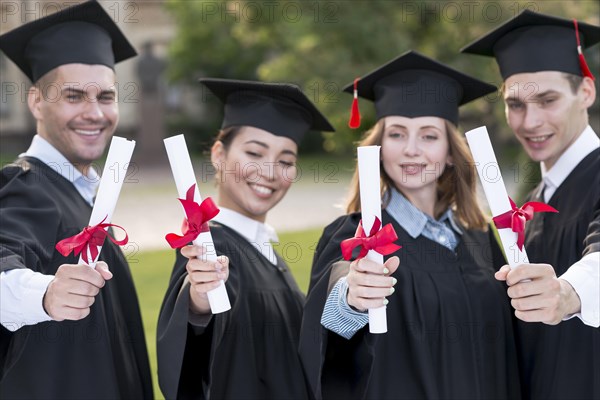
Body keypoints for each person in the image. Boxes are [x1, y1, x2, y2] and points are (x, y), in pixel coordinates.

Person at [299, 51, 521, 399]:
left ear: (450, 152)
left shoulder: (479, 237)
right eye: (397, 134)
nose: (411, 150)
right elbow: (328, 326)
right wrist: (352, 297)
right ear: (380, 147)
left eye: (429, 136)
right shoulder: (355, 236)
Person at [0, 2, 153, 398]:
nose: (94, 113)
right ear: (36, 101)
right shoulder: (24, 188)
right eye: (73, 96)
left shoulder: (87, 195)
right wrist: (46, 294)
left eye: (106, 96)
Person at [157, 78, 335, 399]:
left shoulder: (265, 251)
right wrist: (199, 300)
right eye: (254, 152)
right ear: (218, 155)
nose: (269, 171)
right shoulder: (212, 248)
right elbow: (202, 327)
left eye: (286, 161)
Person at [461, 10, 600, 399]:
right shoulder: (531, 207)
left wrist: (568, 293)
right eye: (516, 104)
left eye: (547, 99)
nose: (530, 121)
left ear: (585, 92)